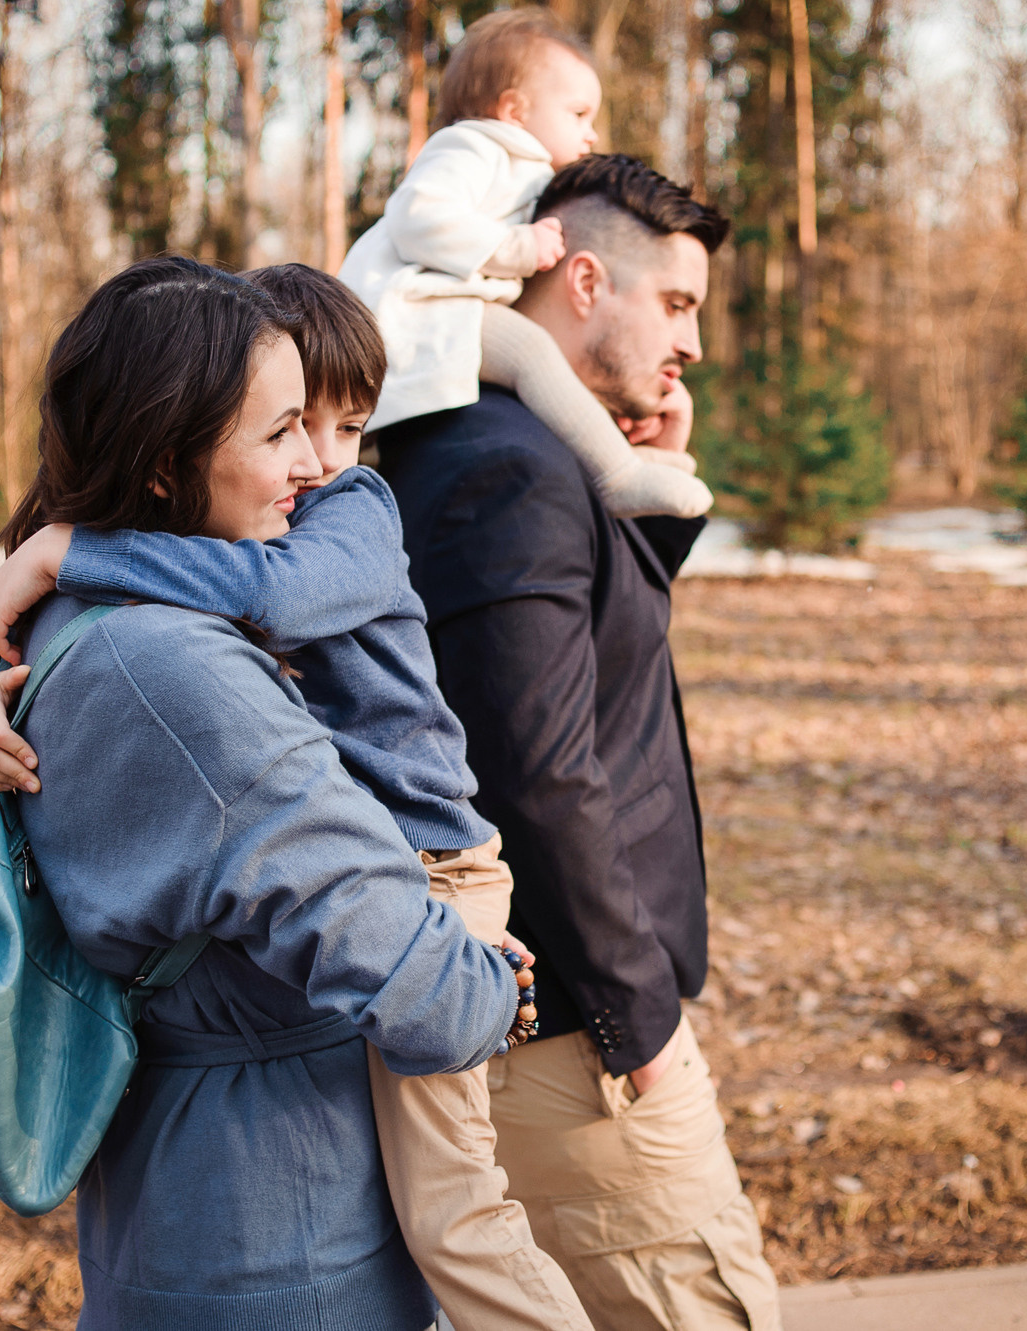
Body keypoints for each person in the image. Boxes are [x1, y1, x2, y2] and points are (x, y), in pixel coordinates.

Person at [0, 265, 594, 1331]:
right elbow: (425, 990)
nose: (319, 462)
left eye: (342, 426)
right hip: (281, 1212)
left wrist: (57, 558)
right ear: (170, 456)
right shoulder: (175, 662)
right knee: (461, 1217)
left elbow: (258, 594)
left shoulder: (311, 528)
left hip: (432, 867)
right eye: (286, 427)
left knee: (460, 1206)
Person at [374, 154, 784, 1330]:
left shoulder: (495, 444)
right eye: (676, 303)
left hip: (559, 1023)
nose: (693, 341)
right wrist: (635, 1022)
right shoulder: (509, 467)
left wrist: (657, 478)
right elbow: (536, 775)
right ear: (585, 279)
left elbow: (590, 663)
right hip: (571, 1042)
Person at [339, 6, 712, 521]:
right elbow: (416, 215)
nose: (591, 135)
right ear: (514, 110)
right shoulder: (472, 147)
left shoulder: (519, 167)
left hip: (441, 310)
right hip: (413, 312)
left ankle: (613, 457)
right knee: (531, 351)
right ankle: (619, 474)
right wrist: (517, 247)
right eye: (578, 114)